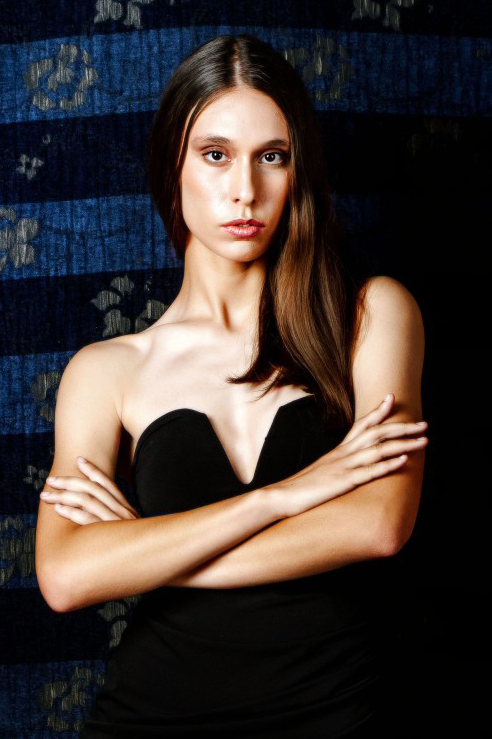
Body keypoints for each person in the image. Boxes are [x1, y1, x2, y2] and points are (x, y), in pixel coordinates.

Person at [35, 34, 427, 739]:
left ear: (298, 170)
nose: (245, 189)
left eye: (272, 156)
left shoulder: (371, 316)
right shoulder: (107, 370)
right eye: (215, 154)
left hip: (337, 712)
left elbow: (379, 523)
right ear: (173, 165)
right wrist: (282, 497)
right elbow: (65, 576)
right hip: (152, 718)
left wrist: (147, 555)